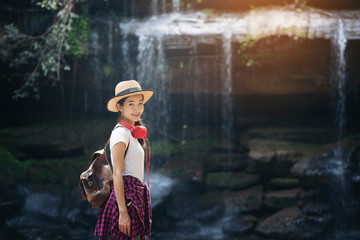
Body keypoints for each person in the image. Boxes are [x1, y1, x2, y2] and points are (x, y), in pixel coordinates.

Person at [95, 80, 153, 240]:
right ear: (120, 107)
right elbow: (117, 174)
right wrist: (123, 212)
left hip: (133, 197)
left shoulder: (132, 133)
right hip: (126, 199)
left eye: (140, 104)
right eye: (131, 104)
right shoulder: (121, 134)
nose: (137, 109)